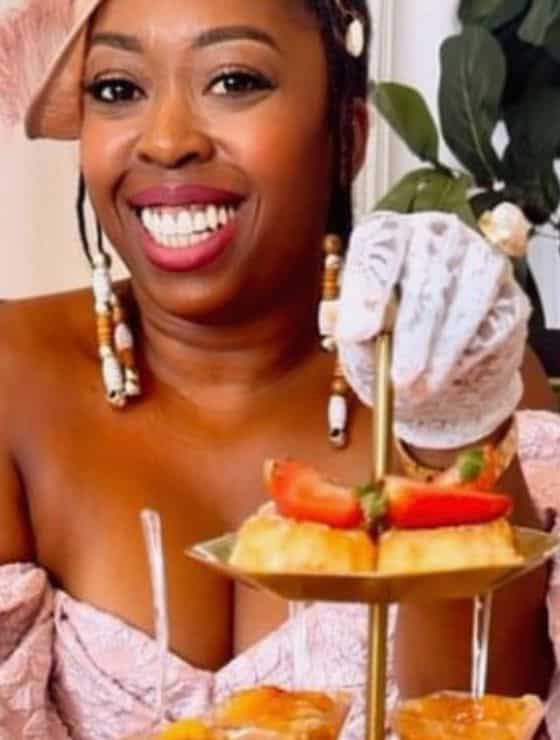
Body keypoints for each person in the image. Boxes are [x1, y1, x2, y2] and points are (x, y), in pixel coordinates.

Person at [0, 0, 558, 738]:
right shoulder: (12, 379)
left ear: (347, 137)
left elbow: (488, 712)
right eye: (117, 89)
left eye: (233, 80)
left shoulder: (458, 378)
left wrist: (450, 437)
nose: (167, 141)